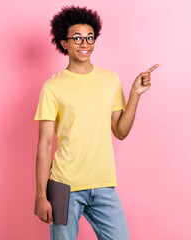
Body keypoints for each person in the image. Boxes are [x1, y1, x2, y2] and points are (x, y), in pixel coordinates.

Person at [34, 5, 159, 240]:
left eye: (90, 37)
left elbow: (120, 131)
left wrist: (134, 94)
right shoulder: (52, 87)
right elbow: (44, 145)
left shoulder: (110, 80)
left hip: (103, 184)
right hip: (64, 185)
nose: (85, 44)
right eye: (78, 38)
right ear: (64, 43)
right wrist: (42, 195)